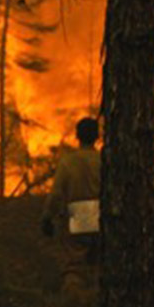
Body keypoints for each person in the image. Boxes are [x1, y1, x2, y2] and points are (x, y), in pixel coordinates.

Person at [42, 117, 102, 290]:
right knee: (100, 265)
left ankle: (74, 306)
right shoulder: (104, 160)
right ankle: (98, 305)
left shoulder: (68, 162)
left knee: (74, 266)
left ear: (77, 136)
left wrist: (47, 217)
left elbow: (57, 194)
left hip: (77, 215)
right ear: (97, 136)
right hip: (102, 216)